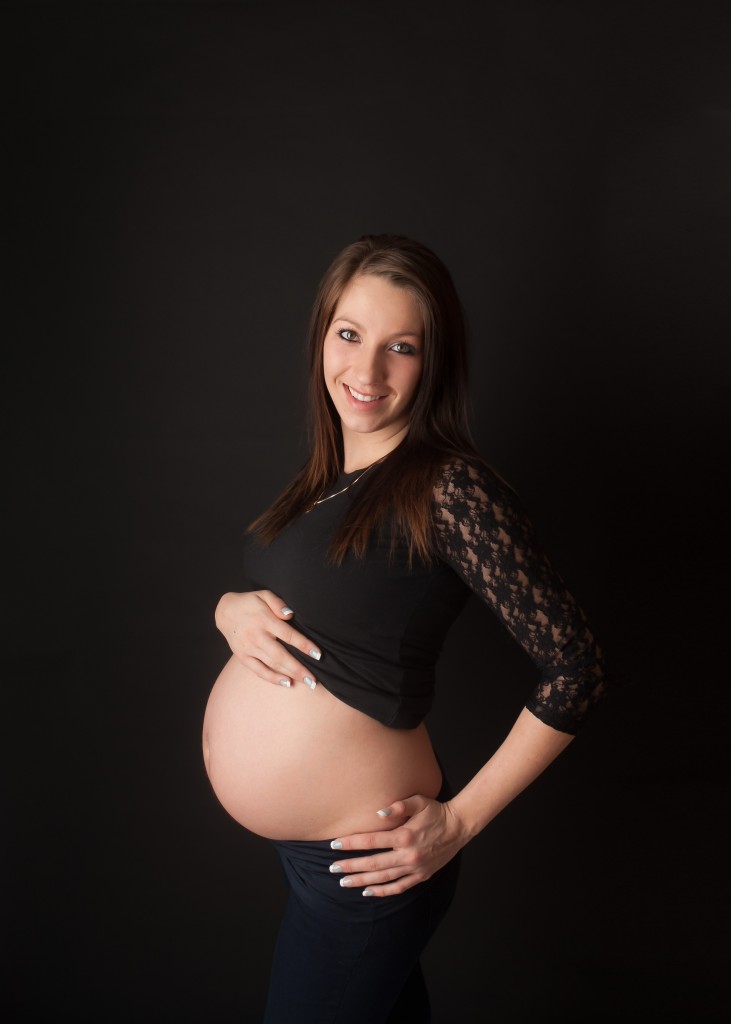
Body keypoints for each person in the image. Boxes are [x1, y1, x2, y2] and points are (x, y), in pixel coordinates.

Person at [202, 234, 608, 1023]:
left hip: (367, 865)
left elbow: (576, 665)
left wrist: (459, 822)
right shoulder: (324, 482)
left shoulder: (449, 487)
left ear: (432, 363)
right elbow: (307, 600)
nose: (367, 370)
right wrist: (227, 608)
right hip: (313, 856)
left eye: (402, 347)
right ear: (322, 334)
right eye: (350, 334)